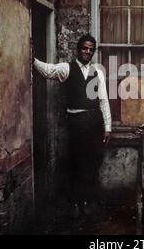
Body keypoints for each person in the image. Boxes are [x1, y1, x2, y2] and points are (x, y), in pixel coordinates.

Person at [33, 34, 112, 219]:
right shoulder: (67, 68)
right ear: (78, 49)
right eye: (85, 48)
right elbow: (48, 70)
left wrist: (107, 126)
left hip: (95, 124)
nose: (88, 52)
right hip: (76, 124)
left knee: (92, 164)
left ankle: (87, 201)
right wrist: (33, 59)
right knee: (76, 163)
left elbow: (103, 100)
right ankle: (75, 202)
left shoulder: (97, 72)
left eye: (91, 49)